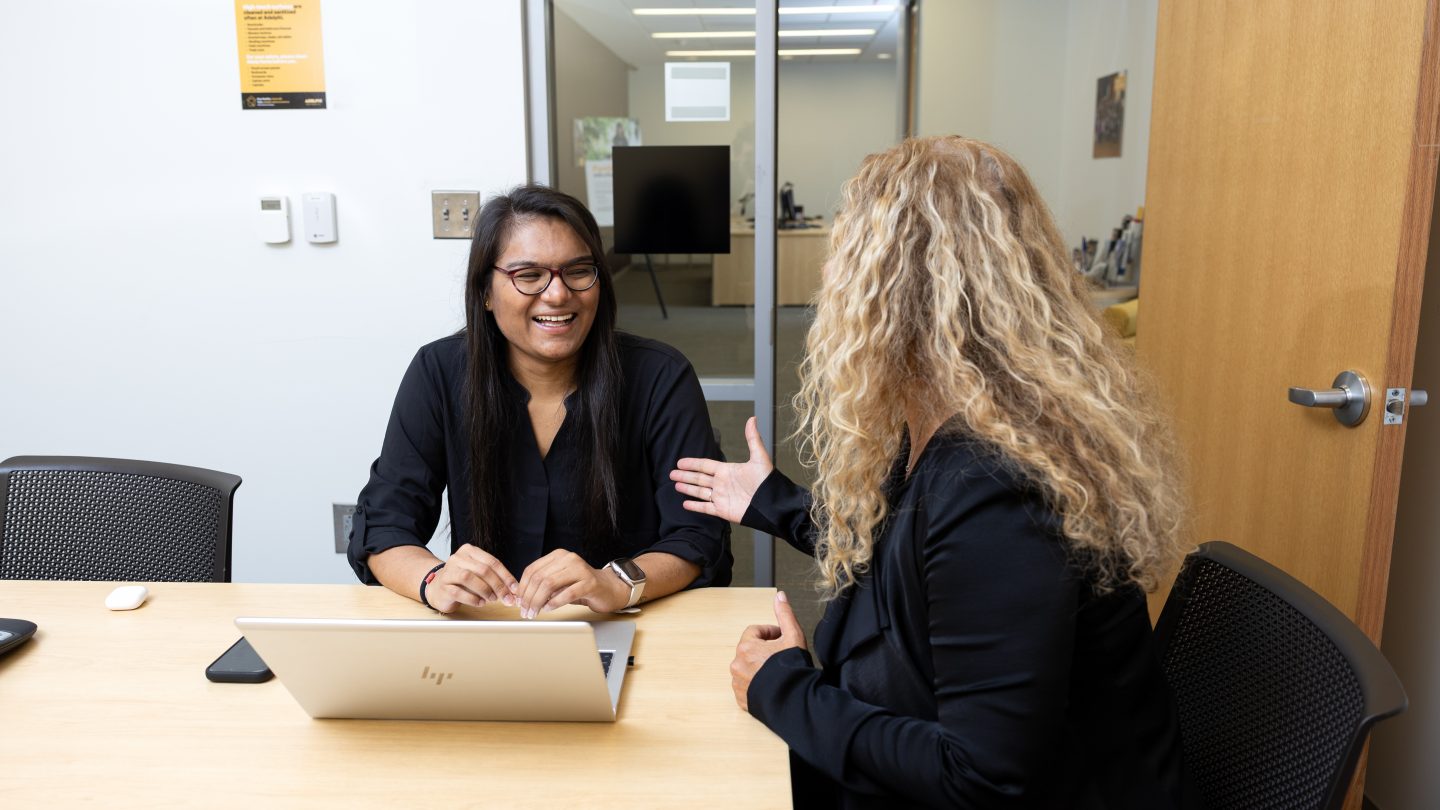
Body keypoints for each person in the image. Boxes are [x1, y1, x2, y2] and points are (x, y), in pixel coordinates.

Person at [671, 137, 1196, 808]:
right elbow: (912, 555)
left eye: (846, 250)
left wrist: (783, 688)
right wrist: (771, 502)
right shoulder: (955, 424)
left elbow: (980, 779)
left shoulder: (999, 485)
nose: (830, 274)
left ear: (890, 284)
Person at [349, 184, 731, 617]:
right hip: (490, 630)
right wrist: (432, 579)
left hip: (628, 626)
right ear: (486, 293)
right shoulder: (438, 372)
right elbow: (383, 524)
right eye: (528, 275)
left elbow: (697, 536)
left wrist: (615, 582)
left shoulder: (660, 376)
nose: (557, 294)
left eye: (578, 271)